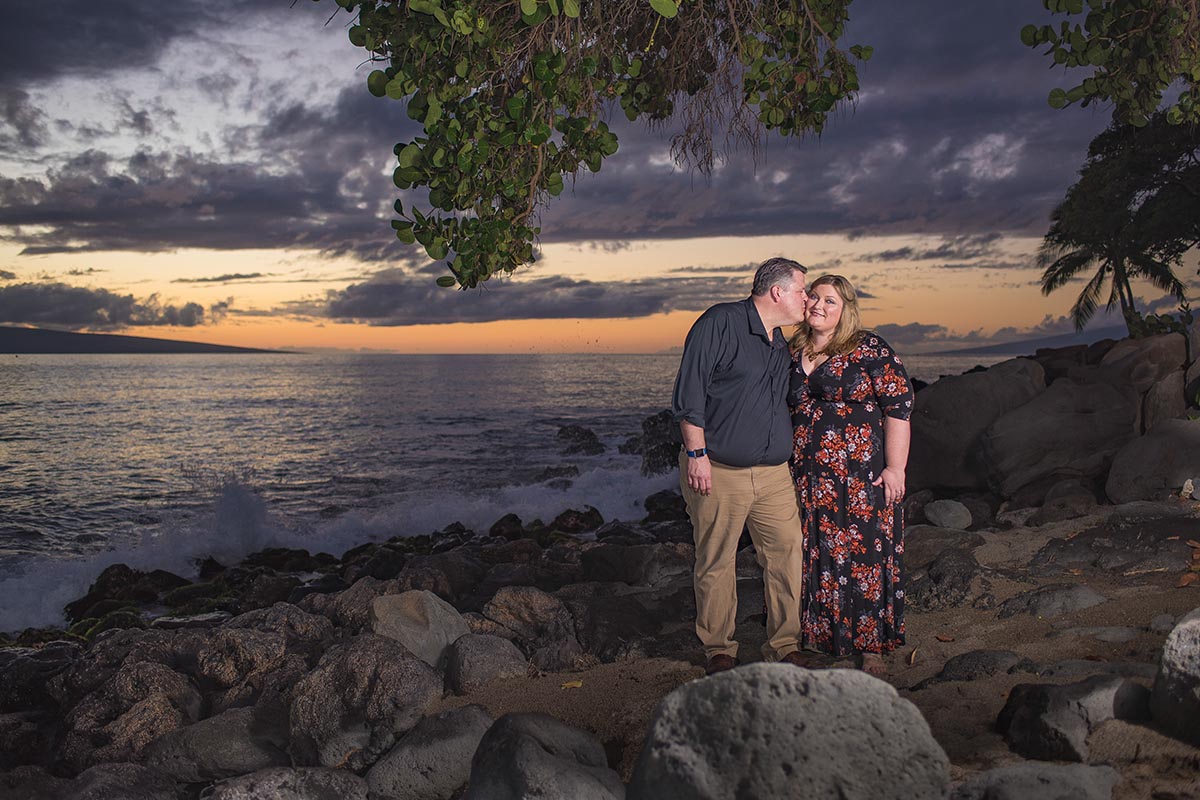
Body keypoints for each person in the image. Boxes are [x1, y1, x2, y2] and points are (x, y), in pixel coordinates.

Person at [671, 257, 811, 675]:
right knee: (716, 560)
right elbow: (689, 393)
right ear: (777, 292)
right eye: (802, 291)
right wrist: (696, 455)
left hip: (773, 476)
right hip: (719, 470)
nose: (807, 299)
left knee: (787, 553)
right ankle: (719, 649)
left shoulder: (781, 341)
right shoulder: (719, 323)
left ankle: (785, 644)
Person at [788, 274, 913, 675]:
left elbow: (899, 407)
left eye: (831, 301)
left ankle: (871, 643)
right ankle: (824, 636)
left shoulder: (868, 347)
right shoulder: (792, 348)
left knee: (865, 554)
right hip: (808, 475)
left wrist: (896, 468)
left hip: (860, 475)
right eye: (815, 298)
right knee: (817, 552)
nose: (820, 306)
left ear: (846, 310)